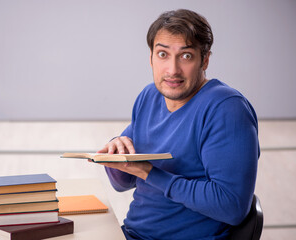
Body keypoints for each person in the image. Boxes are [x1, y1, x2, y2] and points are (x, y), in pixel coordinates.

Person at [96, 9, 260, 240]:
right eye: (163, 54)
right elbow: (123, 182)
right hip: (132, 235)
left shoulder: (226, 108)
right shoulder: (149, 96)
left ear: (205, 60)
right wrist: (115, 150)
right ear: (151, 58)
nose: (172, 70)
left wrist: (151, 173)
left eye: (185, 56)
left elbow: (231, 207)